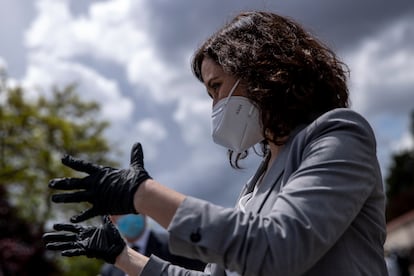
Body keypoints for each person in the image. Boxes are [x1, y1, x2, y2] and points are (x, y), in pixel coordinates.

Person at [42, 11, 388, 275]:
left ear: (263, 71)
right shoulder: (255, 185)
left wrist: (142, 194)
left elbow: (279, 249)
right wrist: (124, 257)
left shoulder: (339, 133)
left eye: (217, 87)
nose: (215, 106)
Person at [100, 214, 205, 275]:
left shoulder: (180, 246)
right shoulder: (109, 270)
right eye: (120, 211)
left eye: (128, 207)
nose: (127, 214)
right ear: (112, 219)